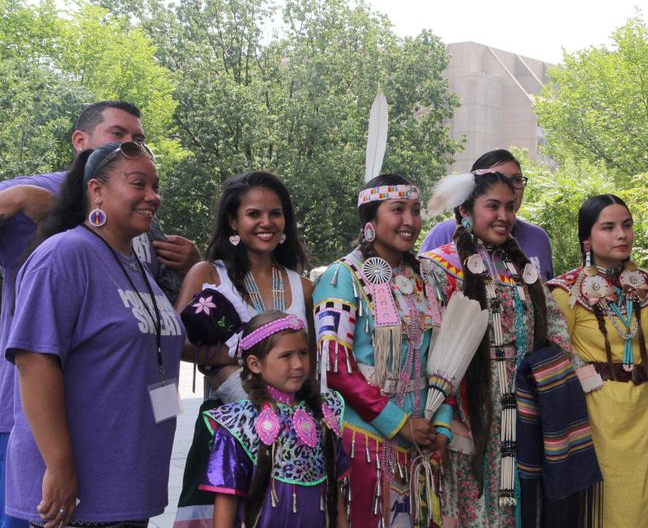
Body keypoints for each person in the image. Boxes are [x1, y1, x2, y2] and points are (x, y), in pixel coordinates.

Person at [0, 101, 199, 527]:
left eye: (156, 186)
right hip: (74, 497)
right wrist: (59, 465)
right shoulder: (65, 254)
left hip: (126, 488)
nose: (153, 197)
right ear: (96, 190)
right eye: (138, 184)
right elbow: (35, 361)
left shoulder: (137, 264)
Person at [420, 170, 600, 527]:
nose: (503, 216)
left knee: (522, 503)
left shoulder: (520, 268)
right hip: (471, 412)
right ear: (465, 211)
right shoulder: (439, 267)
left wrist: (583, 383)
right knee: (473, 502)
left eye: (510, 207)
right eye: (492, 206)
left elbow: (554, 328)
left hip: (525, 408)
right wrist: (445, 414)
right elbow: (430, 344)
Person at [173, 171, 313, 528]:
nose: (266, 223)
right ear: (233, 220)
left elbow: (311, 357)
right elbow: (176, 341)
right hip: (229, 430)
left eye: (275, 213)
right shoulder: (208, 274)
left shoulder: (305, 287)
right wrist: (229, 356)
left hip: (293, 438)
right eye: (254, 214)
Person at [313, 174, 453, 527]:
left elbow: (446, 359)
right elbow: (335, 367)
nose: (410, 220)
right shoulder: (341, 276)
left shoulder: (428, 278)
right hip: (367, 438)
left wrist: (442, 425)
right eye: (398, 210)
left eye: (416, 210)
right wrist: (399, 423)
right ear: (370, 221)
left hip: (424, 438)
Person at [547, 194, 648, 527]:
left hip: (642, 409)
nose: (621, 235)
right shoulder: (565, 292)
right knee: (603, 508)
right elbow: (558, 361)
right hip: (595, 413)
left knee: (640, 506)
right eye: (608, 227)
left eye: (626, 225)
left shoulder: (647, 287)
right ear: (587, 238)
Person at [200, 310, 349, 528]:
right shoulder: (239, 424)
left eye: (303, 353)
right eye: (286, 356)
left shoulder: (324, 415)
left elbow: (335, 498)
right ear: (254, 364)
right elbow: (225, 503)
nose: (298, 364)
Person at [420, 149, 554, 281]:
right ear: (466, 209)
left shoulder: (538, 238)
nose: (509, 188)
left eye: (516, 180)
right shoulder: (442, 236)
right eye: (498, 178)